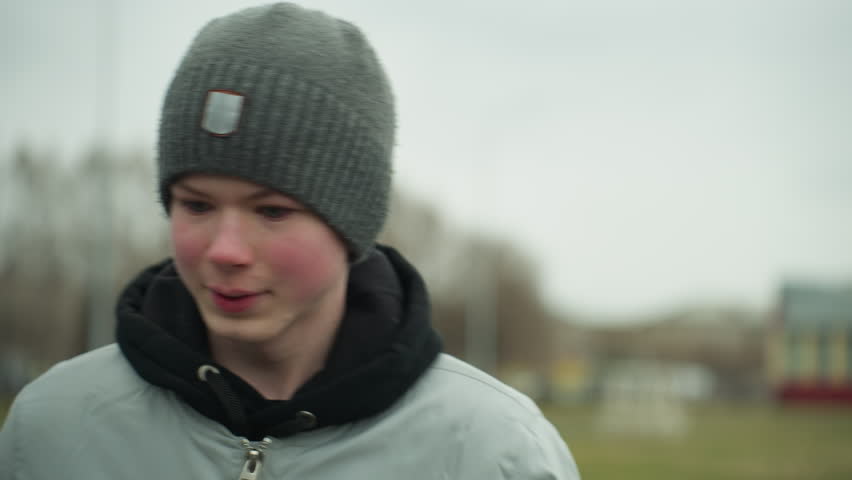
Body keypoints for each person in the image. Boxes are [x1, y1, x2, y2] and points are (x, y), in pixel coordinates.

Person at [0, 3, 581, 478]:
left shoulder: (494, 452)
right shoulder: (54, 429)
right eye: (196, 204)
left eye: (273, 211)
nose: (225, 249)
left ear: (352, 224)